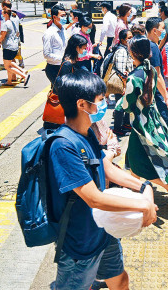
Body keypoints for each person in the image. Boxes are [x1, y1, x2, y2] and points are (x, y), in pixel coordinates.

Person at [48, 71, 158, 290]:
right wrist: (143, 205)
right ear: (82, 104)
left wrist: (143, 186)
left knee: (120, 280)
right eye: (100, 100)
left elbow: (105, 166)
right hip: (80, 242)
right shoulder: (63, 145)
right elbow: (94, 199)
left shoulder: (86, 132)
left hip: (103, 230)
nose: (105, 104)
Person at [119, 36, 168, 208]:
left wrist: (122, 101)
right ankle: (133, 190)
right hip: (151, 120)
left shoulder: (134, 77)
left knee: (139, 163)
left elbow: (127, 104)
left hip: (140, 126)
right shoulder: (150, 69)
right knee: (134, 160)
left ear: (133, 53)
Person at [145, 17, 168, 132]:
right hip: (157, 93)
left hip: (149, 92)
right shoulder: (153, 47)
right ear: (154, 30)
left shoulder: (146, 44)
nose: (164, 31)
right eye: (162, 28)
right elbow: (157, 75)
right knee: (165, 124)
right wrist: (166, 97)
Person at [0, 10, 29, 87]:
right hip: (14, 46)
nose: (1, 14)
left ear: (6, 14)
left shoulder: (5, 24)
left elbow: (2, 36)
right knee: (10, 63)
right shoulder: (13, 23)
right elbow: (17, 33)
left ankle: (24, 76)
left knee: (7, 66)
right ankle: (10, 80)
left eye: (2, 13)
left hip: (8, 47)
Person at [110, 29, 134, 137]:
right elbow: (120, 70)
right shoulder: (122, 51)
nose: (131, 39)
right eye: (129, 38)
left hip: (124, 81)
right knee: (120, 106)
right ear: (123, 40)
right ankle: (117, 128)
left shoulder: (126, 49)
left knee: (124, 104)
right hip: (121, 83)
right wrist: (125, 85)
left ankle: (125, 124)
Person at [43, 4, 68, 85]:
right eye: (62, 16)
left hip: (64, 67)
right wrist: (62, 59)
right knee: (60, 92)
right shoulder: (49, 33)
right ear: (54, 17)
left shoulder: (63, 30)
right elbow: (46, 54)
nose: (65, 18)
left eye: (65, 15)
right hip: (54, 68)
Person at [1, 0, 25, 68]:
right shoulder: (15, 15)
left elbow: (7, 30)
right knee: (15, 55)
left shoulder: (9, 17)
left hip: (9, 40)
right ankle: (20, 66)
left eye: (2, 7)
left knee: (11, 59)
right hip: (16, 38)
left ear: (5, 7)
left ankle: (18, 73)